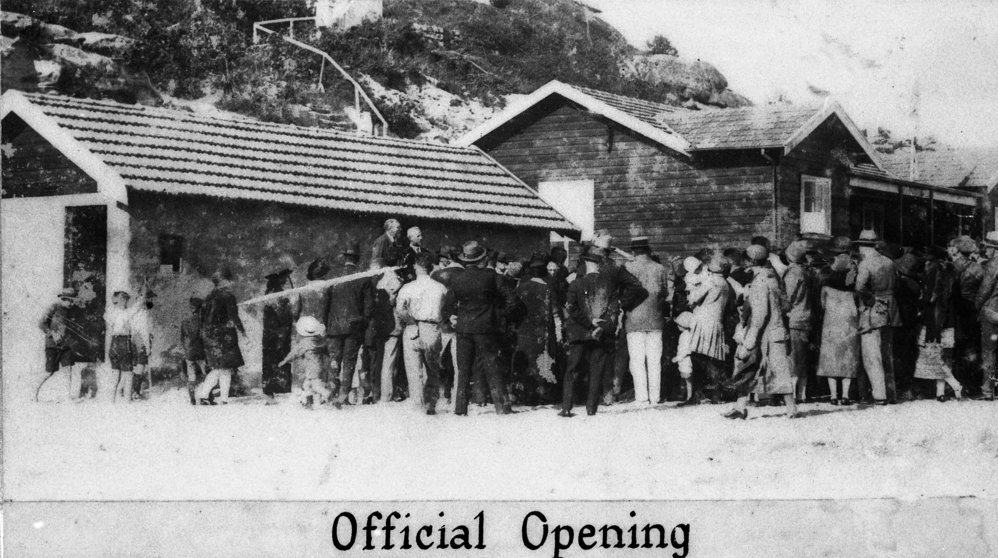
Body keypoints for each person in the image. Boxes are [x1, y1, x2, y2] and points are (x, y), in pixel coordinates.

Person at [446, 241, 522, 416]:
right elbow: (513, 300)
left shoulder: (456, 278)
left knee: (463, 369)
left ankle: (460, 409)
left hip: (463, 328)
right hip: (486, 328)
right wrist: (498, 314)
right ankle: (502, 407)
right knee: (492, 367)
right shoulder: (491, 276)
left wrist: (455, 316)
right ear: (482, 258)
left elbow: (449, 304)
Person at [725, 244, 799, 419]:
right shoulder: (772, 276)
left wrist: (750, 340)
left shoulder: (759, 282)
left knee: (750, 366)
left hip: (765, 334)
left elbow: (759, 315)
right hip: (775, 331)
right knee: (757, 369)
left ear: (751, 261)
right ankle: (741, 407)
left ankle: (791, 408)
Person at [623, 237, 672, 406]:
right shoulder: (660, 268)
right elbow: (665, 293)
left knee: (637, 361)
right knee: (654, 360)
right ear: (648, 250)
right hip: (655, 320)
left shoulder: (627, 267)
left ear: (633, 251)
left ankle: (641, 397)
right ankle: (655, 397)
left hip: (634, 320)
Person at [395, 252, 447, 414]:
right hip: (431, 327)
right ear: (431, 268)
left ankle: (417, 404)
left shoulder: (408, 287)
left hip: (411, 328)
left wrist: (410, 320)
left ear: (416, 267)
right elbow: (444, 309)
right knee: (432, 369)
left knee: (413, 370)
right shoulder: (440, 288)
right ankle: (430, 404)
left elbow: (399, 309)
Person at [510, 253, 564, 405]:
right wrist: (559, 333)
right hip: (544, 332)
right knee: (543, 361)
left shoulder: (520, 287)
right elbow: (555, 313)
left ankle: (524, 394)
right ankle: (543, 393)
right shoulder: (547, 287)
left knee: (526, 362)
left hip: (524, 332)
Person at [854, 231, 901, 405]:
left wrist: (871, 299)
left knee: (871, 354)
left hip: (874, 309)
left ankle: (879, 395)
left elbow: (860, 287)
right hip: (891, 309)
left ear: (863, 246)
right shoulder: (890, 262)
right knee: (887, 353)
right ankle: (891, 393)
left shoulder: (866, 264)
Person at [681, 253, 730, 406]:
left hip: (703, 321)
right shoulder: (724, 282)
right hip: (716, 321)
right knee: (714, 359)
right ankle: (715, 394)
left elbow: (693, 298)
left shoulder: (710, 281)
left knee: (698, 358)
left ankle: (696, 395)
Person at [330, 247, 375, 406]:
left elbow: (328, 302)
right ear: (358, 259)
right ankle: (343, 396)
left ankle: (332, 393)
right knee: (349, 361)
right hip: (354, 326)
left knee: (334, 359)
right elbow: (369, 306)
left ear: (345, 258)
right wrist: (363, 322)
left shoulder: (334, 277)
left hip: (334, 326)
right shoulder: (364, 278)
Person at [816, 248, 860, 405]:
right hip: (849, 326)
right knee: (848, 358)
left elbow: (822, 306)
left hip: (831, 325)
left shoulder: (826, 287)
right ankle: (846, 395)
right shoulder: (853, 289)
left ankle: (834, 396)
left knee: (831, 359)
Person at [198, 269, 245, 405]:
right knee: (223, 368)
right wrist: (242, 330)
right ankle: (207, 396)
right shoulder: (227, 295)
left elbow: (202, 318)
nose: (231, 282)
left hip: (209, 336)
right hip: (223, 336)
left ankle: (220, 398)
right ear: (224, 281)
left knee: (221, 367)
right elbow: (233, 315)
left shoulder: (208, 297)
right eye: (229, 279)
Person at [783, 240, 815, 403]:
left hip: (794, 317)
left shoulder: (793, 273)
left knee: (793, 357)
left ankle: (793, 394)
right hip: (806, 316)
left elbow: (788, 297)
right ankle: (802, 393)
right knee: (802, 357)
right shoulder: (807, 272)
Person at [431, 245, 464, 404]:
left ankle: (437, 394)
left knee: (437, 361)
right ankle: (456, 394)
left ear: (447, 259)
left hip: (441, 324)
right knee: (459, 363)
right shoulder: (466, 274)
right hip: (462, 324)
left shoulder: (436, 275)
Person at [951, 235, 984, 393]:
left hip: (955, 309)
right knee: (972, 346)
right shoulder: (978, 268)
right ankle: (972, 383)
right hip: (972, 309)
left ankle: (958, 381)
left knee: (955, 345)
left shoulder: (952, 266)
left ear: (957, 249)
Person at [279, 317, 331, 408]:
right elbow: (326, 352)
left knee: (314, 386)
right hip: (319, 366)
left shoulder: (305, 343)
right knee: (309, 385)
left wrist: (284, 361)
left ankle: (327, 394)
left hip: (311, 368)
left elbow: (294, 353)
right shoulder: (320, 341)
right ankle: (311, 403)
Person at [105, 290, 146, 403]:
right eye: (126, 301)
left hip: (113, 344)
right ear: (122, 301)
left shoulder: (110, 314)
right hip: (123, 343)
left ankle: (111, 402)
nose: (127, 303)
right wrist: (142, 295)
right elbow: (136, 307)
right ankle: (127, 402)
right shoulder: (125, 313)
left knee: (115, 376)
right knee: (128, 375)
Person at [40, 287, 81, 401]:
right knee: (49, 372)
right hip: (52, 345)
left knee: (68, 370)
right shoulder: (53, 308)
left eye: (73, 301)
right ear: (63, 299)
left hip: (66, 346)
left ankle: (66, 398)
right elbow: (41, 324)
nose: (72, 303)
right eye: (70, 300)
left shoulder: (71, 311)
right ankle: (33, 394)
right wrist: (52, 333)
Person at [893, 251, 924, 401]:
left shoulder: (900, 283)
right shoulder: (916, 284)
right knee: (910, 354)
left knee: (899, 353)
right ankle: (910, 385)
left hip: (899, 320)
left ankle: (903, 386)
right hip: (911, 321)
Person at [261, 270, 294, 398]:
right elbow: (281, 314)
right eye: (283, 278)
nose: (286, 280)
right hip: (279, 333)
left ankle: (269, 388)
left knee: (269, 361)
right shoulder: (278, 294)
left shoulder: (269, 293)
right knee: (280, 359)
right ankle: (279, 389)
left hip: (270, 333)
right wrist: (290, 307)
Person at [974, 231, 998, 400]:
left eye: (988, 248)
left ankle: (987, 390)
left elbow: (984, 290)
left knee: (989, 351)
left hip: (992, 313)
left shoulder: (993, 264)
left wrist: (976, 306)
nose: (986, 251)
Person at [180, 296, 207, 405]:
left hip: (189, 352)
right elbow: (204, 337)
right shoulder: (203, 321)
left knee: (191, 376)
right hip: (201, 352)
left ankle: (192, 399)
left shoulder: (185, 321)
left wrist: (186, 348)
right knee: (206, 375)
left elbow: (182, 338)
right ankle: (206, 397)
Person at [672, 311, 694, 403]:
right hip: (684, 359)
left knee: (688, 379)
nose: (677, 327)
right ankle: (688, 395)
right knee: (687, 379)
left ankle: (688, 396)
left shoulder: (685, 336)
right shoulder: (687, 334)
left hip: (685, 359)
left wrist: (677, 358)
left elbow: (684, 350)